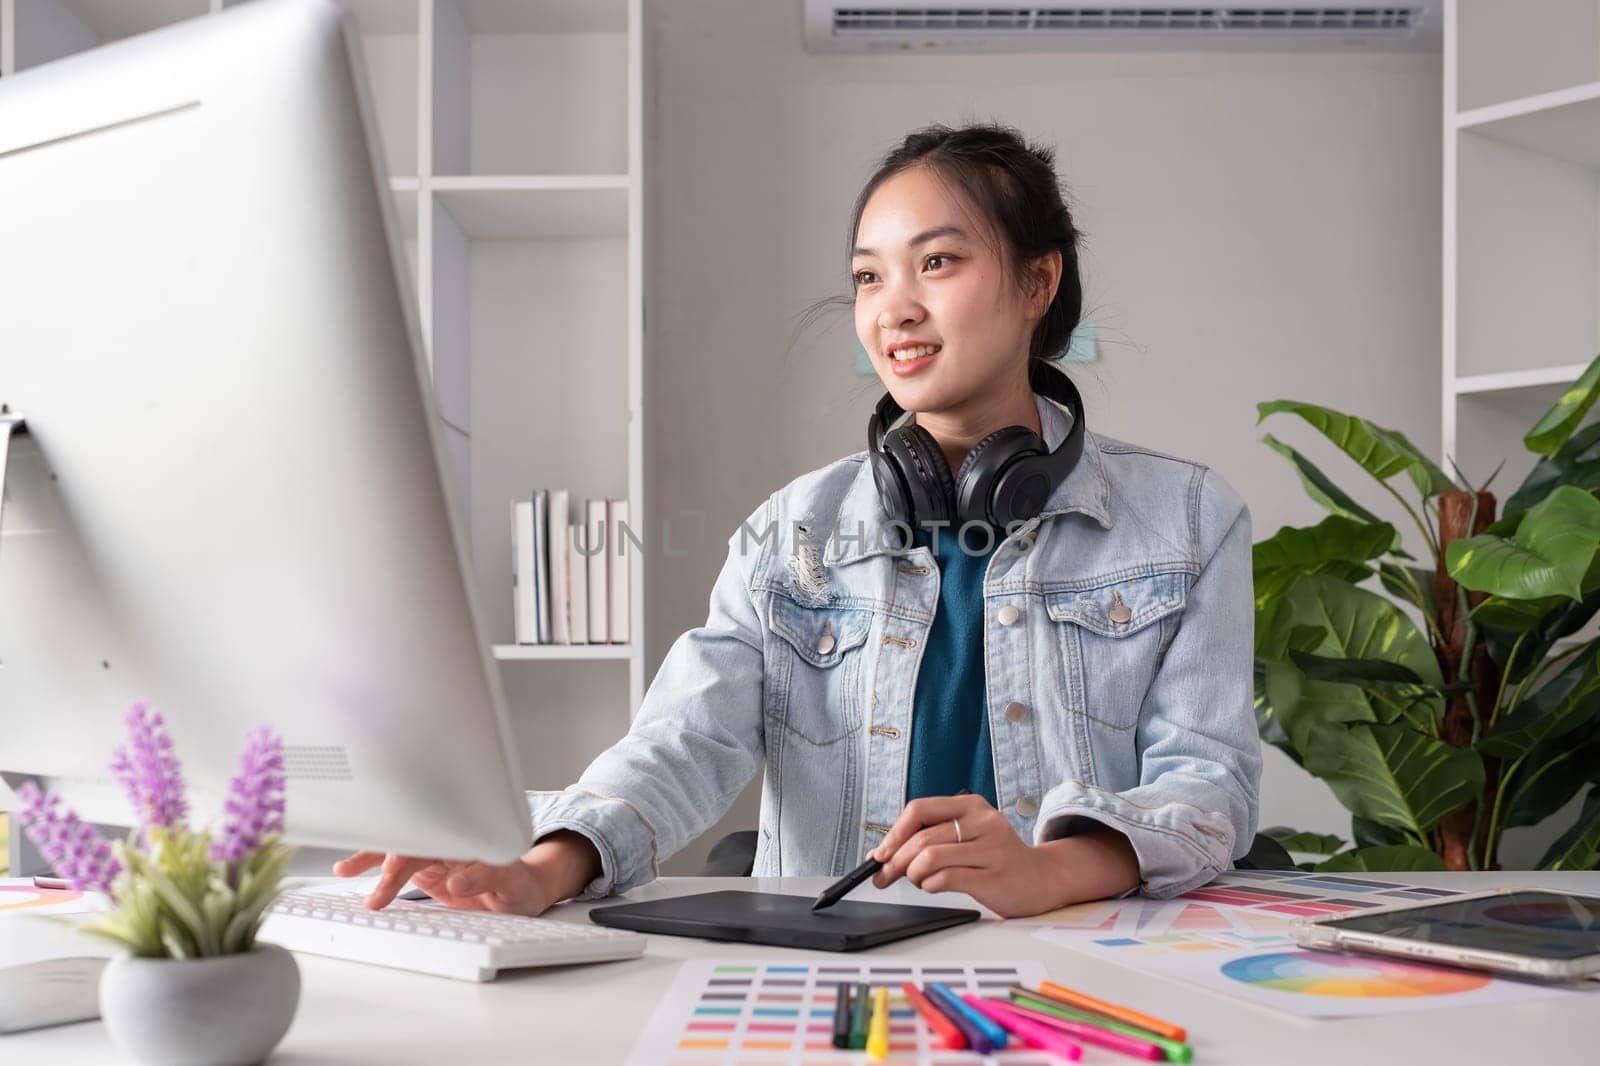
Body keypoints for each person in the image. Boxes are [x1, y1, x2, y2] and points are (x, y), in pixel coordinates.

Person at [336, 121, 1260, 919]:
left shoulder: (1185, 519)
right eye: (867, 277)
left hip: (1079, 966)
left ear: (1036, 282)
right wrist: (543, 869)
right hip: (835, 969)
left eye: (937, 262)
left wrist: (1044, 868)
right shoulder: (792, 533)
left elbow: (1205, 781)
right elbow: (685, 739)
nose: (893, 308)